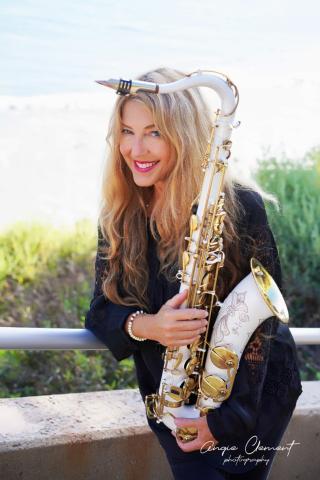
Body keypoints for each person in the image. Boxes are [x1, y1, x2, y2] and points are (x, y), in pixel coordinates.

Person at [85, 67, 302, 479]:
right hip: (175, 407)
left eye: (154, 132)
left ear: (183, 135)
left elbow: (264, 328)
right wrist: (151, 327)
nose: (135, 148)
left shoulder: (241, 206)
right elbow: (99, 311)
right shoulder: (119, 217)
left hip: (251, 409)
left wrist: (221, 424)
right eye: (126, 132)